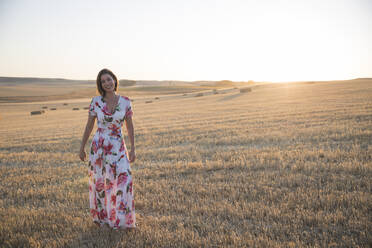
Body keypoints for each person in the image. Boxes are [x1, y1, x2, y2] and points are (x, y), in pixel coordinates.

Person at [79, 68, 136, 230]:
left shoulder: (125, 101)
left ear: (114, 80)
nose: (107, 83)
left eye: (109, 79)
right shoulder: (95, 101)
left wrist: (133, 149)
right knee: (102, 183)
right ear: (100, 85)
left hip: (118, 146)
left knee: (125, 180)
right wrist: (82, 147)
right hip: (99, 147)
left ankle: (122, 220)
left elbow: (130, 127)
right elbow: (89, 125)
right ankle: (104, 220)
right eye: (103, 81)